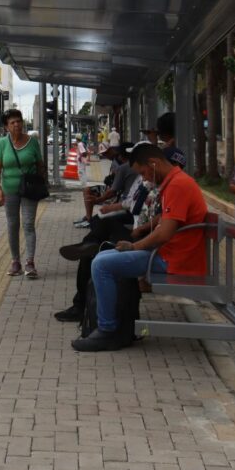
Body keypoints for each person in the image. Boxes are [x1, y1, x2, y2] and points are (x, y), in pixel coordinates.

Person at [72, 143, 208, 351]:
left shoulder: (178, 185)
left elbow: (165, 232)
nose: (144, 179)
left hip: (174, 261)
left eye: (144, 173)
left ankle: (107, 331)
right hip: (168, 254)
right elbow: (164, 223)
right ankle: (111, 326)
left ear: (153, 164)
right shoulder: (176, 182)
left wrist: (134, 247)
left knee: (101, 265)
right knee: (105, 255)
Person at [0, 109, 45, 278]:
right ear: (6, 127)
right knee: (12, 225)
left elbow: (40, 165)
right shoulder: (2, 143)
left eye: (19, 121)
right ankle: (16, 262)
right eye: (12, 122)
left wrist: (41, 183)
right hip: (9, 190)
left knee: (28, 224)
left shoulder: (32, 142)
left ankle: (30, 263)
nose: (17, 125)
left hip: (29, 190)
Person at [75, 143, 138, 228]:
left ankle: (91, 220)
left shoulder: (124, 166)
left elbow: (113, 191)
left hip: (120, 194)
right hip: (120, 193)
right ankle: (88, 218)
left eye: (106, 153)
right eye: (103, 154)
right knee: (88, 190)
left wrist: (98, 200)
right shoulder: (119, 162)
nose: (106, 155)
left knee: (98, 220)